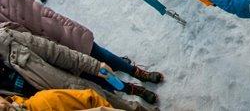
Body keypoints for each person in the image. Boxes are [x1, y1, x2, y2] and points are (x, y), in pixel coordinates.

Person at [0, 0, 163, 90]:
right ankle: (129, 89)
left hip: (54, 27)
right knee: (90, 74)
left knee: (100, 54)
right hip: (39, 49)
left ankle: (136, 72)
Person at [0, 26, 155, 109]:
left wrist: (95, 67)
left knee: (110, 100)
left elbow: (57, 53)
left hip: (73, 91)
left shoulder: (6, 40)